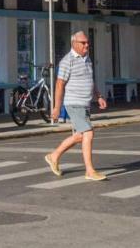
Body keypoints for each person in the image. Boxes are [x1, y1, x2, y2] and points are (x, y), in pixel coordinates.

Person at [45, 30, 109, 181]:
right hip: (74, 103)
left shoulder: (87, 58)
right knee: (88, 133)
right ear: (74, 44)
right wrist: (56, 108)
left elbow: (89, 80)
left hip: (85, 103)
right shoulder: (67, 61)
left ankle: (53, 156)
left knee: (80, 135)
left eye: (88, 42)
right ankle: (89, 171)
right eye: (83, 43)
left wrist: (98, 96)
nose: (87, 45)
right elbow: (59, 85)